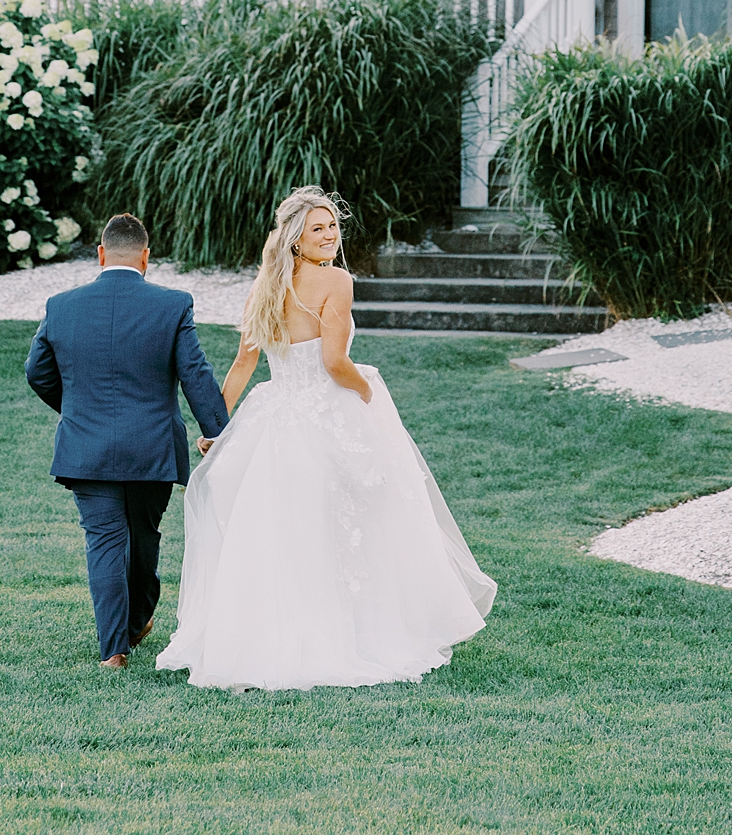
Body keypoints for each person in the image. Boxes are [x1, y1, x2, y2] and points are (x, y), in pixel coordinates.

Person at [157, 185, 497, 692]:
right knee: (350, 527)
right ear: (296, 238)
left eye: (334, 225)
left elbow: (244, 365)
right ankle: (354, 634)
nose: (331, 235)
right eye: (318, 228)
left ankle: (271, 638)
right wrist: (369, 392)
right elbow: (336, 364)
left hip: (271, 418)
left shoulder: (265, 286)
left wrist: (218, 426)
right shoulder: (336, 282)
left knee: (284, 532)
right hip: (325, 415)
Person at [25, 213, 229, 669]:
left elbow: (36, 372)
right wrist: (219, 432)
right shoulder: (174, 304)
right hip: (151, 448)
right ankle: (136, 623)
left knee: (103, 542)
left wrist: (79, 409)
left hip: (87, 448)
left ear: (100, 254)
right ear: (146, 257)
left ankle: (114, 649)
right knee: (144, 539)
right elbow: (195, 374)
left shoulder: (62, 305)